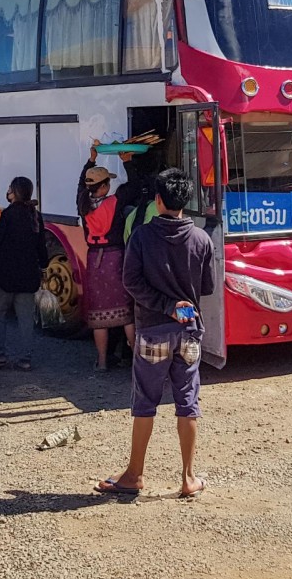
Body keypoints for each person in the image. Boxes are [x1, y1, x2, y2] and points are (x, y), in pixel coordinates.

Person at [95, 168, 214, 499]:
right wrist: (179, 305)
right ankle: (188, 478)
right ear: (185, 201)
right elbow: (207, 286)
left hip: (152, 332)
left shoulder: (142, 237)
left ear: (158, 200)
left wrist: (164, 304)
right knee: (188, 402)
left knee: (145, 402)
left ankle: (134, 475)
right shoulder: (202, 239)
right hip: (189, 332)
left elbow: (131, 282)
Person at [77, 143, 135, 371]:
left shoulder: (83, 204)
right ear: (104, 186)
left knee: (99, 315)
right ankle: (136, 360)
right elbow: (135, 186)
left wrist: (91, 160)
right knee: (126, 314)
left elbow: (80, 185)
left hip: (94, 260)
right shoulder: (116, 202)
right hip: (115, 258)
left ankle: (101, 361)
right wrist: (127, 161)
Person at [0, 177, 50, 372]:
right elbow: (41, 248)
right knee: (26, 320)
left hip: (4, 275)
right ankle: (25, 359)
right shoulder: (35, 215)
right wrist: (43, 267)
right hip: (28, 276)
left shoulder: (7, 214)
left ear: (14, 192)